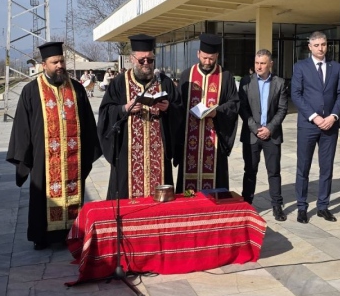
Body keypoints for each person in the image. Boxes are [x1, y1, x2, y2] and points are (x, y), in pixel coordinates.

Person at [7, 42, 102, 250]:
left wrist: (88, 150)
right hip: (44, 159)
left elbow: (87, 122)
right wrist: (25, 156)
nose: (59, 65)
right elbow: (22, 126)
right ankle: (42, 236)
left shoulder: (76, 89)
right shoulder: (31, 90)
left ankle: (73, 233)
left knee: (74, 193)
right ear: (44, 65)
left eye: (62, 61)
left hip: (73, 156)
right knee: (42, 195)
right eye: (54, 62)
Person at [98, 34, 182, 199]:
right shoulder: (119, 82)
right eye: (142, 60)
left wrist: (168, 108)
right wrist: (124, 108)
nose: (146, 64)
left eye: (150, 60)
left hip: (158, 153)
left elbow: (179, 111)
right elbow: (105, 112)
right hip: (127, 154)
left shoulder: (163, 82)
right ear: (132, 58)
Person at [290, 31, 340, 224]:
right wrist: (314, 117)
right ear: (310, 47)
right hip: (308, 125)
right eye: (317, 45)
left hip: (330, 125)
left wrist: (333, 116)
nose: (321, 48)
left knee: (327, 168)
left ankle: (323, 206)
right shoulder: (300, 67)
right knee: (303, 167)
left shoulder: (336, 67)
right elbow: (296, 95)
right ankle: (302, 207)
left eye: (323, 44)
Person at [176, 33, 240, 192]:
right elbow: (178, 106)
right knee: (187, 182)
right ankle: (189, 208)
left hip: (215, 139)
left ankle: (213, 210)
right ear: (198, 54)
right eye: (204, 58)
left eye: (211, 59)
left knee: (215, 183)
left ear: (217, 56)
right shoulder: (187, 75)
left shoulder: (225, 77)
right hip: (189, 139)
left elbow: (234, 104)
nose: (207, 62)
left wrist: (216, 112)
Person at [238, 50, 289, 220]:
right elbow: (243, 108)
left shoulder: (280, 83)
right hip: (252, 135)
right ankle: (246, 203)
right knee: (250, 170)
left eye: (263, 63)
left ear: (270, 64)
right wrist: (256, 128)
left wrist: (269, 128)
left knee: (273, 171)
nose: (259, 66)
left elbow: (282, 109)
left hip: (272, 135)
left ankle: (277, 206)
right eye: (257, 63)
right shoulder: (246, 82)